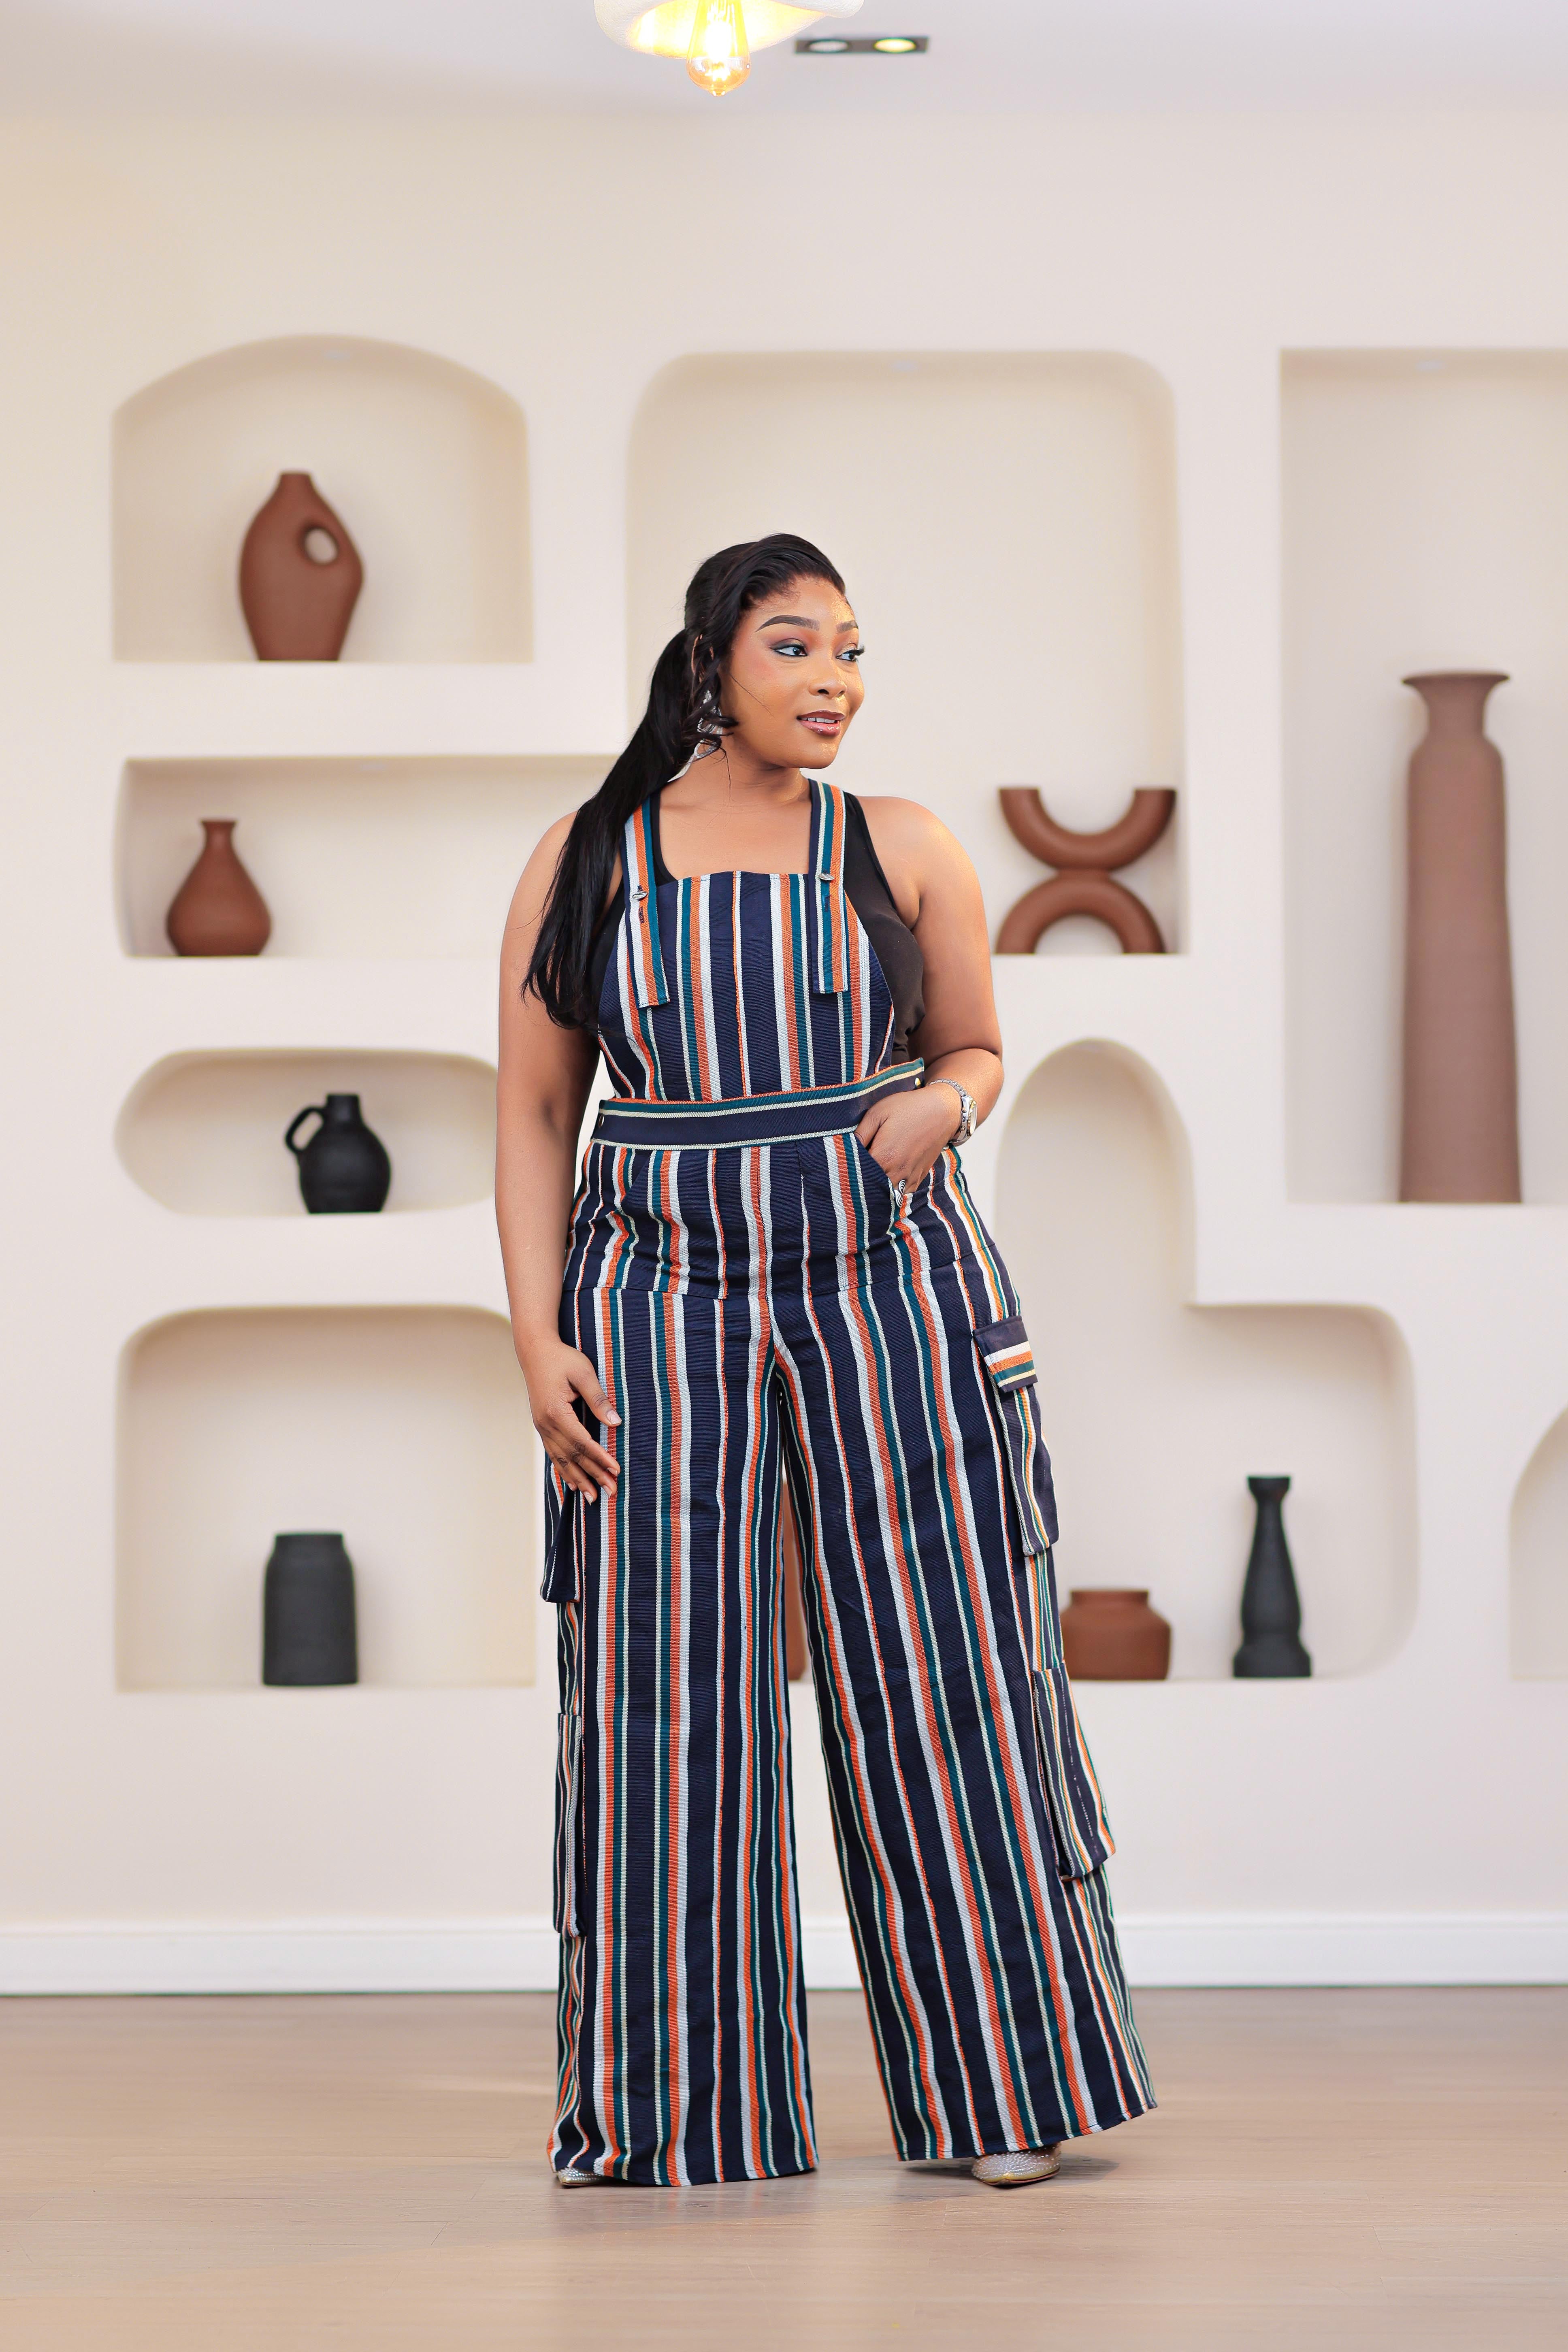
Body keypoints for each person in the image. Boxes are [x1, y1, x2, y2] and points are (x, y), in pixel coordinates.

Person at [496, 534, 1153, 2190]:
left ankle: (1000, 2094)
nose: (834, 679)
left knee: (937, 1668)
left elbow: (975, 1046)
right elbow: (526, 1114)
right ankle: (670, 2115)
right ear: (710, 657)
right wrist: (533, 1333)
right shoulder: (585, 859)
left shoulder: (903, 846)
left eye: (851, 650)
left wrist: (945, 1106)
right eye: (795, 647)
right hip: (648, 1294)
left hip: (890, 1283)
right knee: (659, 1694)